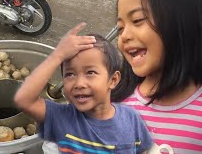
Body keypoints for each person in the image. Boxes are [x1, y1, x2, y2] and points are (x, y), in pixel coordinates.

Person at [14, 23, 153, 154]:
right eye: (69, 74)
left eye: (90, 72)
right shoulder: (61, 117)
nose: (79, 83)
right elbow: (24, 100)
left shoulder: (131, 119)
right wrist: (57, 55)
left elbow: (143, 150)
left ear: (113, 80)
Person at [113, 0, 202, 153]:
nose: (124, 36)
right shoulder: (117, 103)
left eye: (137, 20)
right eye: (120, 28)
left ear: (181, 19)